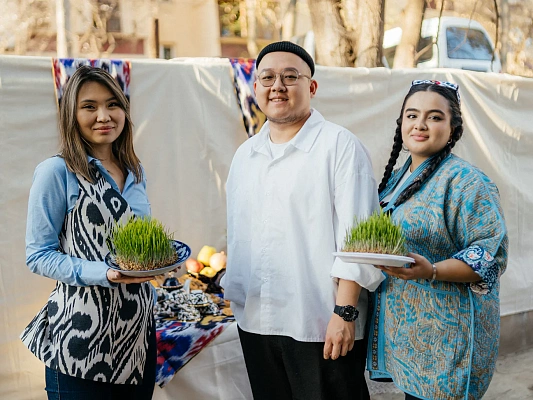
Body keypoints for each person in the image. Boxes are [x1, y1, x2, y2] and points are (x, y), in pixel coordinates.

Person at [221, 41, 383, 400]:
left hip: (320, 321)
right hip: (256, 321)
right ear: (255, 87)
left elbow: (359, 240)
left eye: (290, 76)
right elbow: (240, 236)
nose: (277, 86)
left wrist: (345, 312)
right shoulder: (245, 155)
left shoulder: (340, 146)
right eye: (267, 78)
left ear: (312, 87)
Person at [20, 66, 157, 400]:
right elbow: (38, 255)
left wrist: (158, 261)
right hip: (80, 343)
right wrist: (105, 273)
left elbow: (135, 244)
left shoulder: (135, 171)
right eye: (89, 106)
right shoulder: (57, 172)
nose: (104, 116)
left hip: (136, 338)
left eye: (113, 104)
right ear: (72, 115)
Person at [367, 80, 508, 400]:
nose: (420, 124)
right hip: (406, 336)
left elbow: (489, 257)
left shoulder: (467, 182)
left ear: (453, 128)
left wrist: (431, 270)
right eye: (412, 115)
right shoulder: (397, 178)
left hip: (447, 343)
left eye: (434, 117)